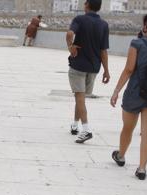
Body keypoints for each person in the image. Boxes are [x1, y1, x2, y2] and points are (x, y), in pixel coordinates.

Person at [109, 12, 147, 180]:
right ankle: (141, 168)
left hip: (134, 92)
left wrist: (116, 91)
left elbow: (128, 69)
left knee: (128, 127)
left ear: (146, 26)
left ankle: (120, 155)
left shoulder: (137, 43)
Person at [66, 0, 110, 143]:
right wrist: (106, 71)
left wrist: (70, 46)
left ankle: (86, 130)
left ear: (87, 5)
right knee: (81, 98)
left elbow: (69, 33)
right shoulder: (104, 25)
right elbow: (103, 50)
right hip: (94, 67)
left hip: (78, 64)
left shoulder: (79, 19)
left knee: (79, 97)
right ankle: (74, 124)